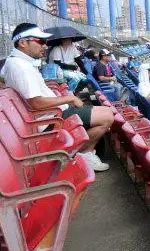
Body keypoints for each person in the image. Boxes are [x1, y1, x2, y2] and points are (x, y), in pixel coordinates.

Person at [1, 23, 115, 171]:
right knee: (107, 116)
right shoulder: (21, 67)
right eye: (41, 41)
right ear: (23, 43)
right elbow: (36, 103)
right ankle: (83, 154)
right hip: (49, 119)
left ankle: (86, 152)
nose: (45, 46)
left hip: (50, 113)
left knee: (104, 112)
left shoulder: (14, 62)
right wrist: (70, 98)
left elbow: (2, 78)